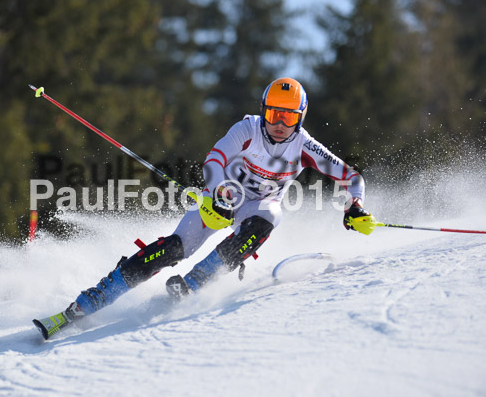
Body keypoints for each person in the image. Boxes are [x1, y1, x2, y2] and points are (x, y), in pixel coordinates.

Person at [34, 77, 372, 338]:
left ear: (300, 117)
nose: (278, 123)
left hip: (258, 207)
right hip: (222, 195)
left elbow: (351, 177)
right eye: (273, 113)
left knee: (271, 215)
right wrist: (218, 190)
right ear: (263, 110)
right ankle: (89, 301)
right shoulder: (248, 128)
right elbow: (215, 158)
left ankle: (195, 282)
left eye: (287, 116)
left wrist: (354, 205)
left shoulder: (305, 146)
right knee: (174, 248)